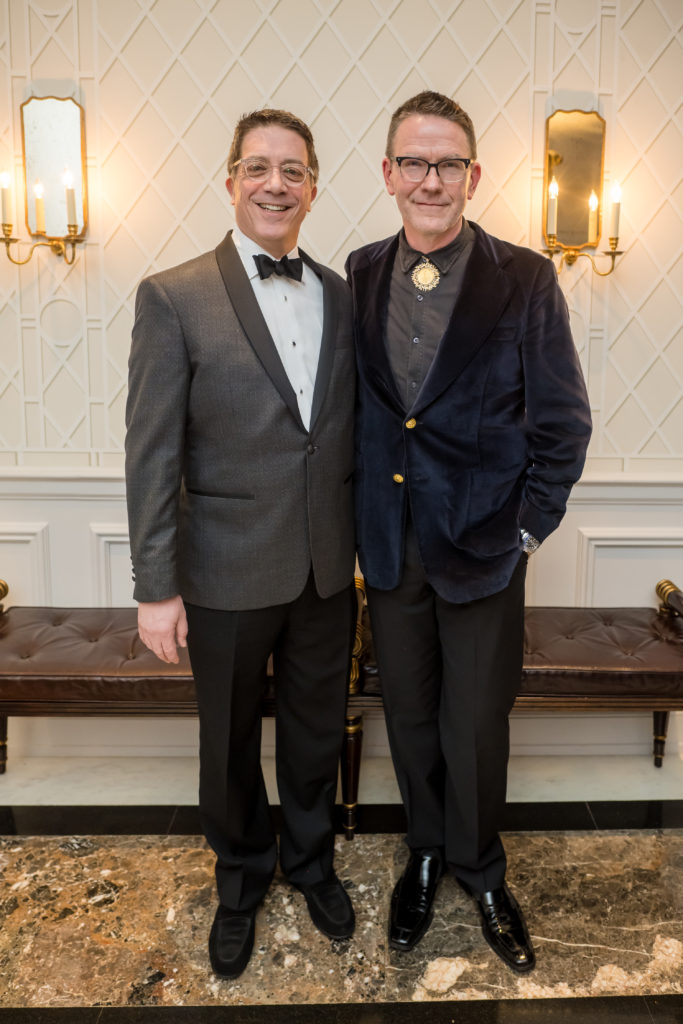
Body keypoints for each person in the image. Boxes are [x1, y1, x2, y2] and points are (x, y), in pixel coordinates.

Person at [346, 91, 592, 973]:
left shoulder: (523, 277)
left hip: (486, 548)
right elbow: (367, 418)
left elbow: (561, 423)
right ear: (388, 174)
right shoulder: (362, 267)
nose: (430, 179)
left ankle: (480, 869)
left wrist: (524, 532)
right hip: (390, 543)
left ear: (473, 175)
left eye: (448, 163)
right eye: (413, 161)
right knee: (409, 715)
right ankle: (422, 853)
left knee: (476, 722)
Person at [125, 108, 356, 980]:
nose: (275, 183)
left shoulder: (338, 290)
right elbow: (151, 447)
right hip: (220, 568)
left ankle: (309, 862)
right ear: (230, 181)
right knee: (225, 742)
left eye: (292, 170)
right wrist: (157, 584)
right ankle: (241, 876)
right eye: (258, 167)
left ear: (311, 187)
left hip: (326, 567)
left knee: (310, 733)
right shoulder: (173, 293)